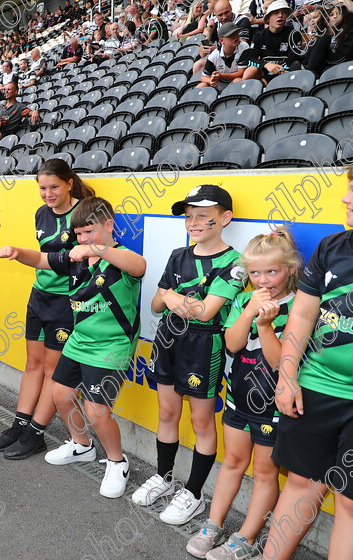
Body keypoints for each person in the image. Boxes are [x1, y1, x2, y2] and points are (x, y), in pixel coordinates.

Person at [0, 196, 145, 498]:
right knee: (61, 395)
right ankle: (82, 445)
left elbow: (139, 265)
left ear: (108, 225)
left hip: (111, 347)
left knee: (97, 411)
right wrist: (17, 252)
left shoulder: (121, 258)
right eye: (78, 234)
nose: (82, 239)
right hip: (79, 340)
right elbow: (41, 260)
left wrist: (95, 248)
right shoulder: (75, 258)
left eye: (89, 231)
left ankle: (117, 462)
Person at [263, 154, 353, 560]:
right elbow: (304, 316)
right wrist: (288, 377)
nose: (345, 199)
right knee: (303, 483)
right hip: (315, 388)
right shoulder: (332, 247)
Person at [132, 184, 244, 526]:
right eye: (189, 216)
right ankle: (164, 477)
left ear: (224, 218)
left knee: (200, 421)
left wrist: (172, 298)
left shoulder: (235, 262)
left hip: (203, 346)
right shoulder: (179, 255)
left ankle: (193, 493)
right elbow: (154, 302)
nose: (194, 222)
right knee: (167, 412)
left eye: (203, 216)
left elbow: (207, 312)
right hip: (167, 339)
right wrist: (172, 300)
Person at [187, 228, 301, 560]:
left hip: (274, 403)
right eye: (255, 273)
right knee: (233, 461)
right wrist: (250, 312)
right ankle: (212, 524)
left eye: (272, 271)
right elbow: (234, 344)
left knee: (265, 472)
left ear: (290, 270)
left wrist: (265, 326)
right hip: (240, 394)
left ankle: (247, 537)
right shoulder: (241, 299)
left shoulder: (300, 305)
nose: (263, 280)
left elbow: (282, 361)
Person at [0, 159, 95, 460]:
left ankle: (37, 432)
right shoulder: (41, 213)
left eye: (53, 187)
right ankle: (19, 423)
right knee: (32, 363)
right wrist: (16, 252)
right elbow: (41, 257)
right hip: (39, 296)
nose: (48, 194)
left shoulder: (84, 213)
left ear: (69, 183)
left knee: (52, 370)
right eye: (42, 188)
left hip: (66, 301)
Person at [239, 0, 299, 84]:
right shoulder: (259, 36)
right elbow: (249, 59)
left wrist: (279, 70)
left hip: (286, 75)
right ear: (268, 18)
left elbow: (293, 62)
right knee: (251, 70)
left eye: (284, 12)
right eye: (276, 13)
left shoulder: (294, 34)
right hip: (264, 77)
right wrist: (266, 65)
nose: (280, 15)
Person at [197, 23, 248, 89]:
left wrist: (221, 75)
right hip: (220, 84)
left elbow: (241, 73)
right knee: (201, 86)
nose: (235, 37)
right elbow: (204, 77)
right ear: (221, 40)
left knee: (238, 80)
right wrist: (211, 81)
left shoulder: (244, 47)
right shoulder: (214, 56)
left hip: (236, 82)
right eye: (231, 35)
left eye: (236, 33)